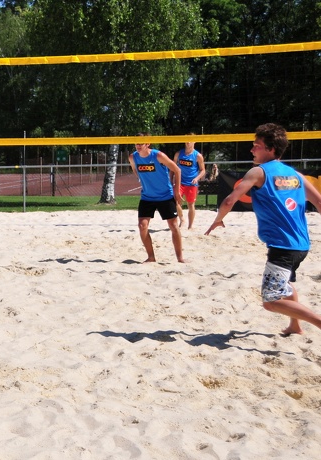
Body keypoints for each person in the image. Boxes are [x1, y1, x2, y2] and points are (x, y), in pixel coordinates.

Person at [205, 123, 321, 335]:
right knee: (285, 284)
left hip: (282, 247)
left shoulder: (259, 172)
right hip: (301, 244)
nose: (251, 150)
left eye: (256, 146)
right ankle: (295, 326)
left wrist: (218, 220)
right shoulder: (295, 175)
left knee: (271, 300)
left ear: (271, 149)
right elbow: (320, 203)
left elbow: (230, 200)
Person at [129, 135, 185, 263]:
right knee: (142, 226)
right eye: (136, 143)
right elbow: (135, 170)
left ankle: (180, 258)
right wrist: (143, 180)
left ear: (147, 143)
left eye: (141, 143)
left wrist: (176, 191)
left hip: (165, 195)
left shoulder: (158, 155)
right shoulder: (133, 157)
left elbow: (177, 170)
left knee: (173, 225)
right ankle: (151, 257)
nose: (138, 146)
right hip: (147, 196)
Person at [173, 135, 207, 230]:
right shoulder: (178, 154)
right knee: (176, 202)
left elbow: (203, 170)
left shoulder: (198, 156)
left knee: (191, 204)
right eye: (186, 140)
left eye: (190, 140)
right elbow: (172, 167)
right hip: (180, 182)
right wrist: (171, 179)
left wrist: (197, 178)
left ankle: (190, 226)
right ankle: (182, 220)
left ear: (194, 142)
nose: (188, 142)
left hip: (192, 183)